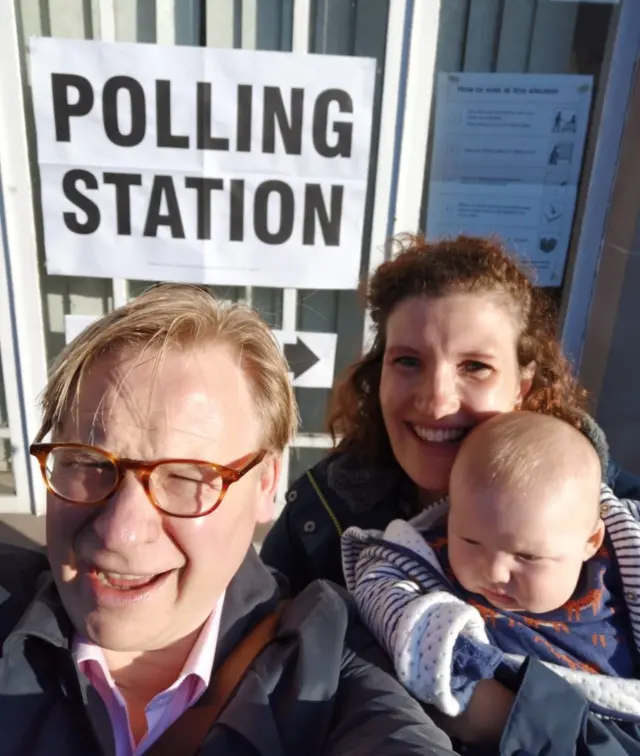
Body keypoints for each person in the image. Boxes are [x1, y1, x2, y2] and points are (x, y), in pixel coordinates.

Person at [0, 284, 455, 756]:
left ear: (265, 485)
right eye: (88, 463)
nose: (121, 531)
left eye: (186, 476)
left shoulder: (332, 679)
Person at [261, 234, 640, 753]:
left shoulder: (623, 541)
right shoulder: (321, 518)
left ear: (523, 387)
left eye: (475, 367)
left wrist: (504, 718)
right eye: (408, 361)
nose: (437, 400)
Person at [342, 411, 640, 725]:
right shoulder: (424, 565)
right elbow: (380, 590)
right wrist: (451, 655)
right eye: (471, 541)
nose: (495, 572)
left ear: (590, 541)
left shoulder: (624, 569)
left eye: (526, 556)